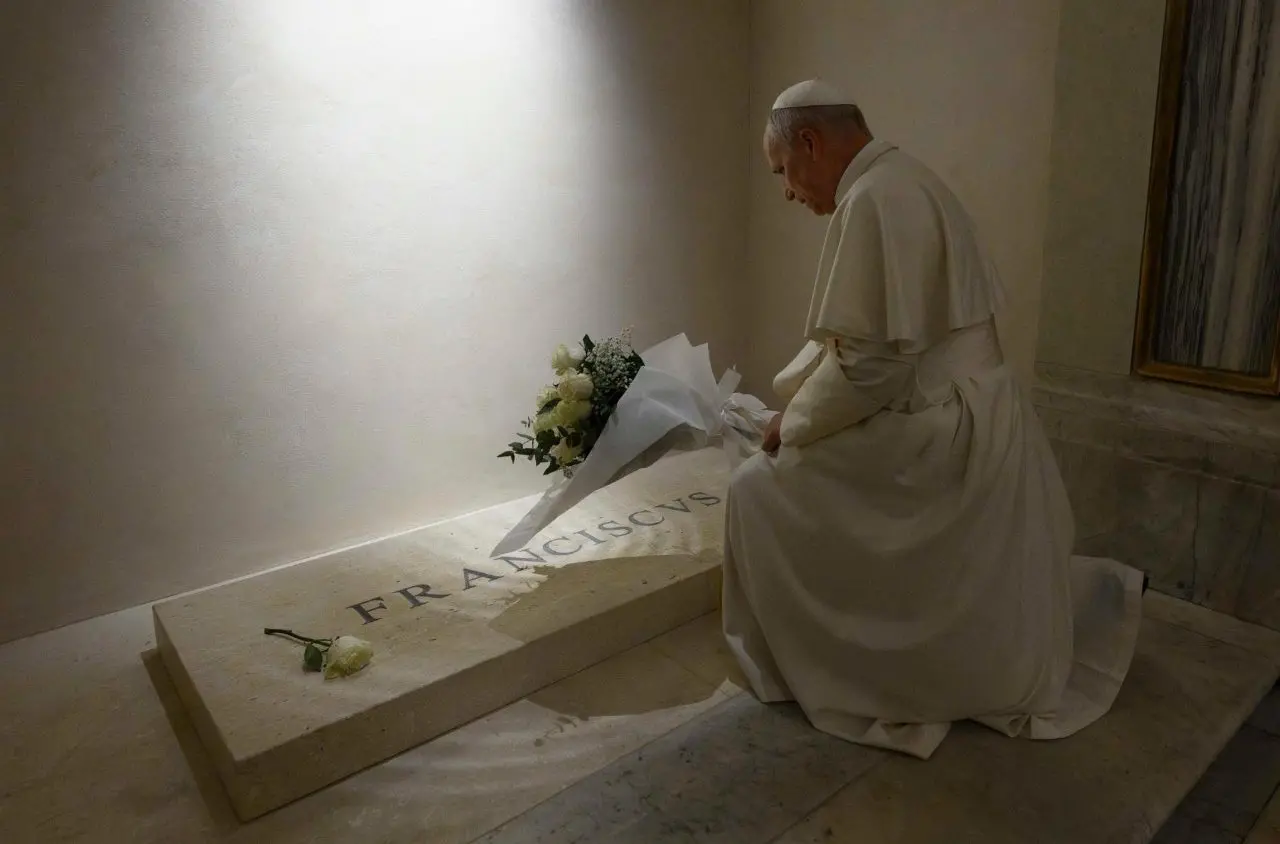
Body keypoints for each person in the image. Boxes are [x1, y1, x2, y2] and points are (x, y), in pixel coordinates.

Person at [722, 78, 1145, 759]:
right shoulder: (904, 179)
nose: (788, 192)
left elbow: (872, 367)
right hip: (972, 416)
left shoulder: (875, 199)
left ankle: (848, 670)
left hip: (941, 431)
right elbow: (882, 348)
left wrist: (790, 424)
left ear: (810, 142)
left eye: (783, 172)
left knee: (756, 490)